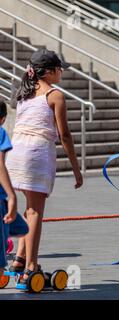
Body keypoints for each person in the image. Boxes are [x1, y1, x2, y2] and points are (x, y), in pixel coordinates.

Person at [5, 49, 83, 284]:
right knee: (36, 211)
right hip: (37, 153)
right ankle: (31, 266)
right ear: (49, 72)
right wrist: (77, 169)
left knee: (28, 208)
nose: (61, 73)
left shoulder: (23, 94)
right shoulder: (54, 95)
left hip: (15, 152)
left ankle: (19, 258)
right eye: (59, 69)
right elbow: (65, 135)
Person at [0, 100, 28, 280]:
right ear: (2, 119)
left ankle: (5, 238)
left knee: (21, 227)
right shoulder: (0, 132)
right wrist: (11, 195)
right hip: (1, 200)